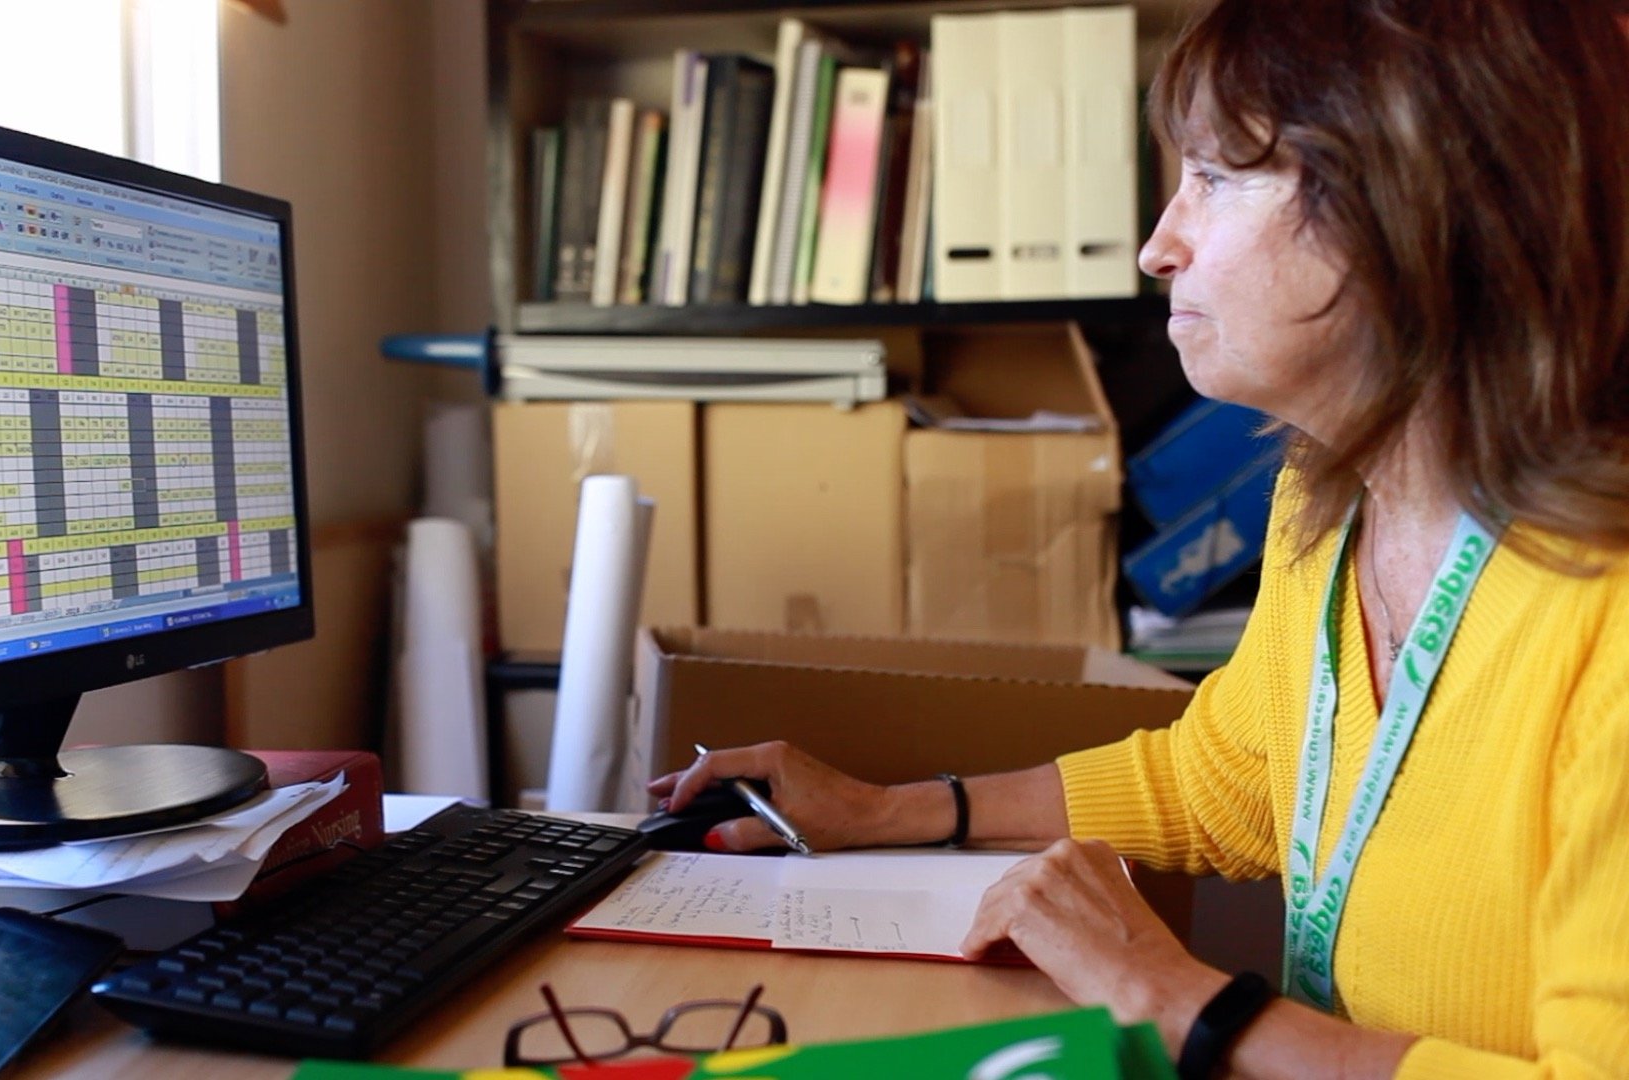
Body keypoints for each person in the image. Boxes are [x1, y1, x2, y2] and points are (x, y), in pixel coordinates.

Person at [650, 1, 1629, 1076]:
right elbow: (1233, 776)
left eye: (1214, 176)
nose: (1159, 247)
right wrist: (882, 810)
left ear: (1414, 207)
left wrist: (1173, 998)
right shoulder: (1331, 494)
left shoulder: (1610, 620)